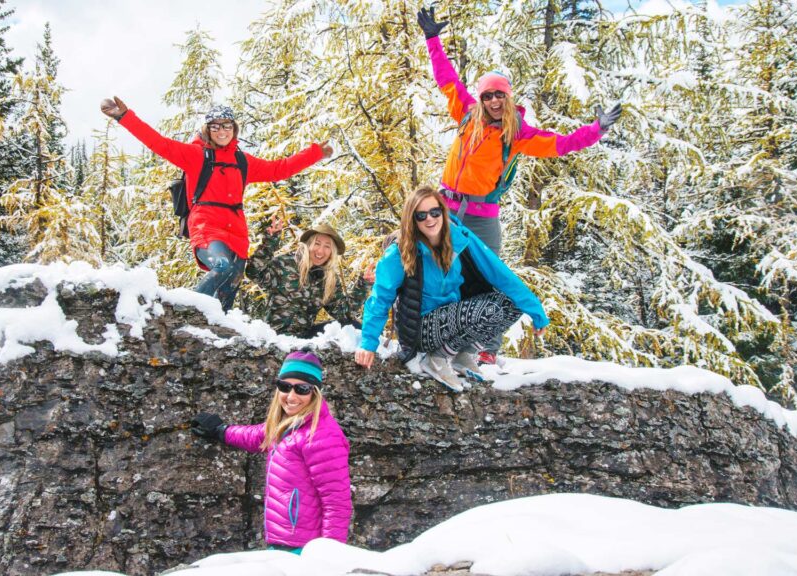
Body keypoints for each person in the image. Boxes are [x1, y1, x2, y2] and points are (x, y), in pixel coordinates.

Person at [417, 6, 620, 364]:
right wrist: (433, 38)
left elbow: (561, 144)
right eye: (488, 96)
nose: (494, 101)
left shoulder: (518, 134)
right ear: (481, 99)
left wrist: (596, 130)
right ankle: (430, 338)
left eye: (500, 95)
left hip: (481, 215)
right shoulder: (466, 114)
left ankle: (487, 351)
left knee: (490, 278)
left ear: (508, 98)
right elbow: (445, 77)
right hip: (443, 210)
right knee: (433, 270)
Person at [101, 97, 332, 311]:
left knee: (226, 297)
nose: (222, 131)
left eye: (227, 126)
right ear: (207, 130)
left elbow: (278, 169)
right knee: (222, 266)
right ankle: (182, 312)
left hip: (238, 234)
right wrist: (124, 116)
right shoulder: (196, 156)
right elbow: (158, 143)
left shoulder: (242, 161)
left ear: (234, 129)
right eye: (216, 126)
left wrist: (315, 154)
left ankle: (214, 338)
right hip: (207, 227)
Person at [354, 187, 549, 392]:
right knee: (489, 310)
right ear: (412, 220)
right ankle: (437, 358)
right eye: (421, 216)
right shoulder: (400, 251)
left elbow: (499, 273)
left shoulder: (458, 237)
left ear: (443, 211)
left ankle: (463, 355)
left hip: (452, 319)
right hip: (420, 328)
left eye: (434, 212)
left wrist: (535, 309)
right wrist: (368, 343)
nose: (429, 219)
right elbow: (380, 298)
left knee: (513, 304)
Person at [191, 349, 352, 553]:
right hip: (281, 543)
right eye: (284, 387)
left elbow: (336, 503)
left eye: (302, 389)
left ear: (315, 393)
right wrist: (221, 431)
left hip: (304, 550)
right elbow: (258, 436)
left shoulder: (322, 435)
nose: (291, 396)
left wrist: (330, 555)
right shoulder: (288, 425)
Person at [246, 217, 372, 337]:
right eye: (317, 244)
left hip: (304, 337)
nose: (320, 251)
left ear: (332, 252)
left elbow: (344, 314)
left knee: (354, 326)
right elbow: (254, 272)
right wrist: (270, 241)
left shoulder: (328, 279)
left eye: (327, 246)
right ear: (308, 244)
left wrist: (363, 284)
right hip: (275, 336)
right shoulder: (285, 264)